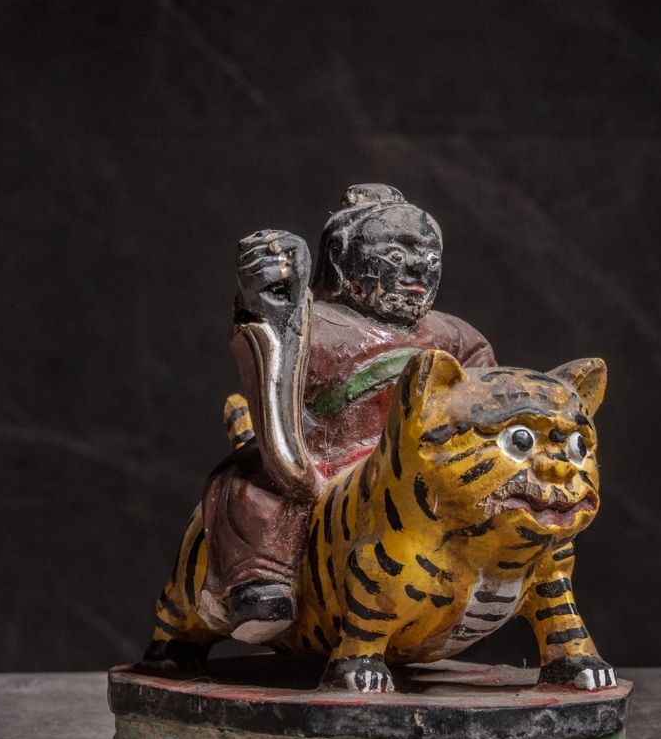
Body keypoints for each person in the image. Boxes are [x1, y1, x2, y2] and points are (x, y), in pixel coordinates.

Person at [199, 184, 496, 641]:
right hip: (327, 460)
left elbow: (487, 401)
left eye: (431, 258)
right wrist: (268, 303)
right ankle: (263, 581)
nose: (418, 268)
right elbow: (274, 363)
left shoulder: (457, 339)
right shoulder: (312, 324)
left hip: (420, 468)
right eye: (395, 254)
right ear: (340, 257)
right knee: (246, 485)